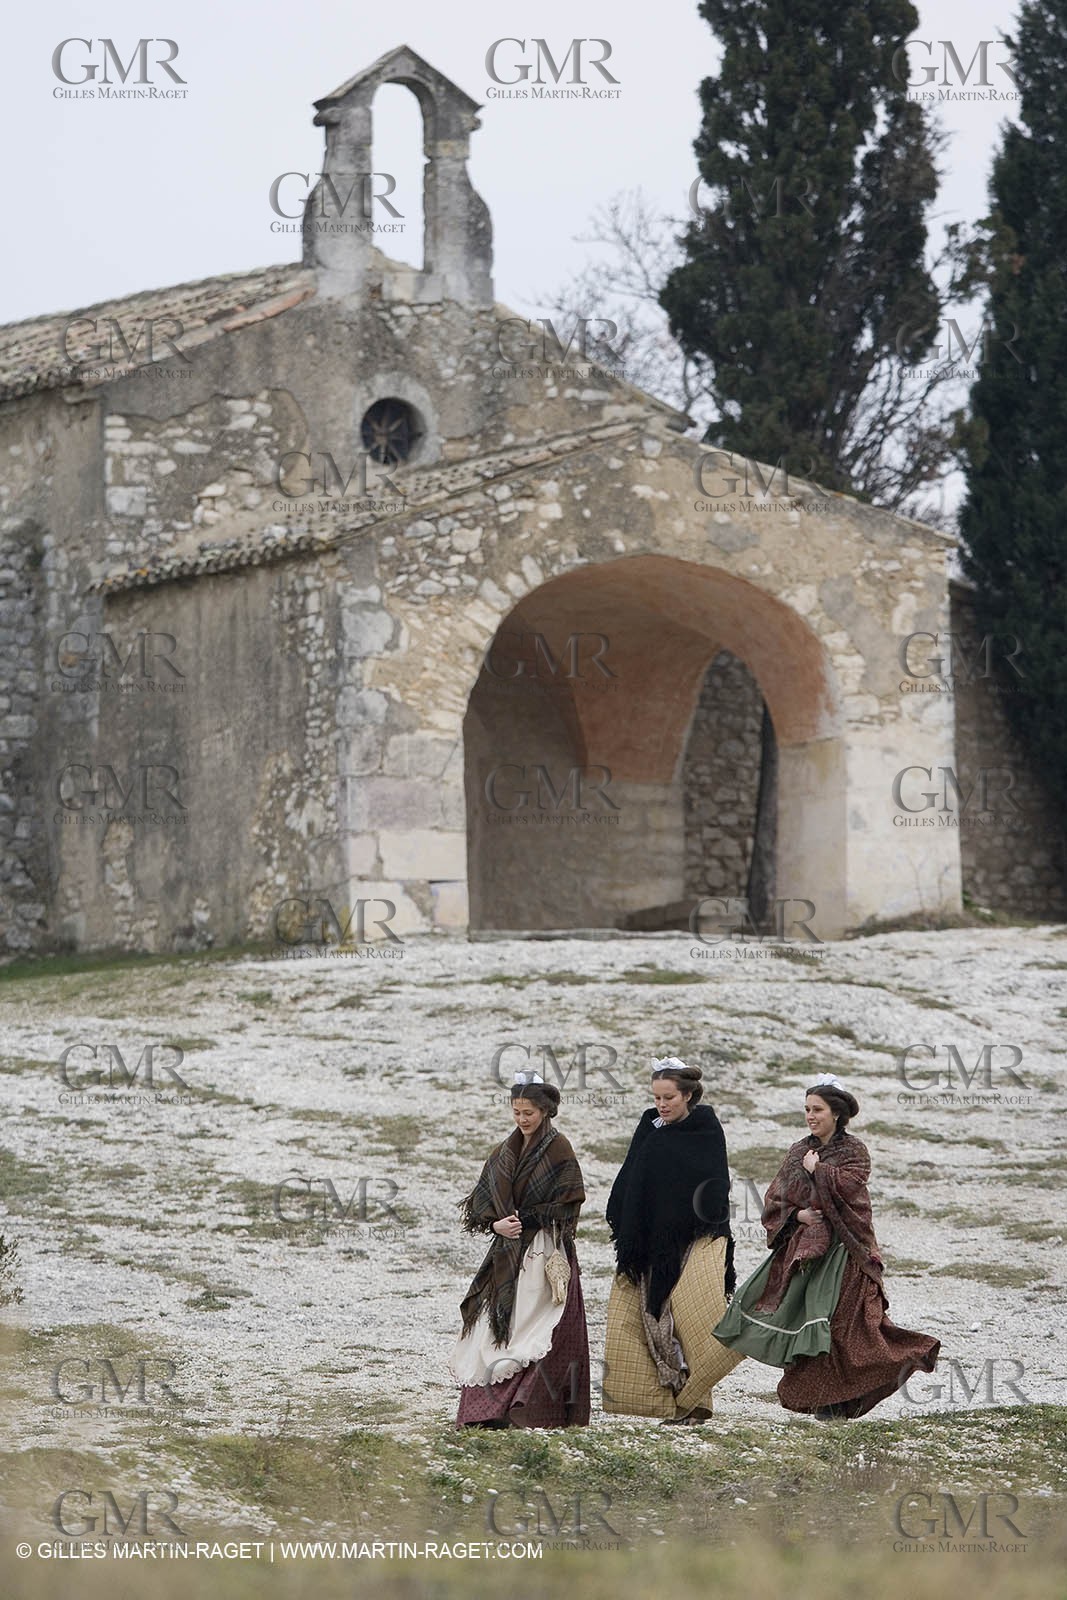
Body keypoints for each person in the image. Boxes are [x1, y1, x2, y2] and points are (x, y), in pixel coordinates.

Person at [713, 1073, 940, 1417]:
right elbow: (776, 1198)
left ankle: (873, 1379)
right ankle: (825, 1403)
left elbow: (852, 1192)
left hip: (848, 1252)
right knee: (812, 1327)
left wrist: (819, 1170)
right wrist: (798, 1216)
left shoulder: (854, 1151)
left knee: (850, 1328)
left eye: (817, 1109)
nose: (810, 1116)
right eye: (806, 1109)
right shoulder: (798, 1151)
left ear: (836, 1113)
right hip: (808, 1255)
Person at [603, 1057, 742, 1423]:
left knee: (690, 1314)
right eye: (658, 1097)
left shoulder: (706, 1130)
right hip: (650, 1241)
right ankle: (669, 1398)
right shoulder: (649, 1127)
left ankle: (698, 1400)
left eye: (669, 1098)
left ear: (688, 1096)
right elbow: (631, 1177)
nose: (662, 1105)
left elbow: (714, 1187)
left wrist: (696, 1224)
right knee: (653, 1316)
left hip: (695, 1237)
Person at [448, 1071, 590, 1428]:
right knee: (496, 1326)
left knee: (537, 1326)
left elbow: (570, 1201)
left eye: (528, 1112)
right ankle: (485, 1411)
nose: (522, 1119)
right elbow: (482, 1201)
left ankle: (528, 1408)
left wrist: (526, 1218)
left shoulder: (559, 1148)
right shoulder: (505, 1151)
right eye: (516, 1112)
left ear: (544, 1111)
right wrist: (496, 1223)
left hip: (544, 1250)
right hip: (507, 1251)